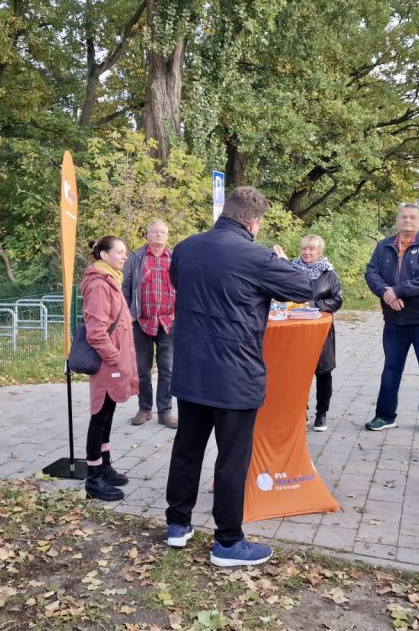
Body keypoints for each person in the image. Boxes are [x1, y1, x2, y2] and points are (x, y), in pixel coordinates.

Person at [164, 187, 315, 567]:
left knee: (187, 448)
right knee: (232, 459)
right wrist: (281, 261)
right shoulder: (258, 256)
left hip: (191, 368)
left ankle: (177, 525)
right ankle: (227, 543)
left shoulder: (185, 248)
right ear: (254, 221)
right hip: (235, 374)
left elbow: (181, 284)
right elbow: (303, 287)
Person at [363, 203, 419, 433]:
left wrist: (397, 291)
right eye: (403, 217)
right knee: (391, 368)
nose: (407, 221)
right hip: (394, 319)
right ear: (397, 220)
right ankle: (385, 415)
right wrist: (386, 294)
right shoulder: (384, 246)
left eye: (412, 217)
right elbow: (371, 273)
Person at [79, 236, 139, 502]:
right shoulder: (99, 285)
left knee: (109, 412)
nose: (124, 256)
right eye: (120, 252)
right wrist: (114, 357)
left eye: (125, 252)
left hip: (114, 362)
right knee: (99, 416)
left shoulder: (111, 280)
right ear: (103, 255)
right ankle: (93, 478)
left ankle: (105, 465)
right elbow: (96, 331)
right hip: (107, 363)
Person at [283, 234, 343, 431]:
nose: (307, 253)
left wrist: (313, 304)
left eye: (311, 250)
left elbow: (337, 300)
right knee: (297, 373)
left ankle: (321, 413)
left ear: (320, 252)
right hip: (296, 330)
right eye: (304, 249)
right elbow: (281, 294)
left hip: (321, 331)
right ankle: (301, 411)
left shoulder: (330, 274)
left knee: (323, 372)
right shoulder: (290, 271)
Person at [122, 220, 177, 429]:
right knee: (142, 369)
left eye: (163, 232)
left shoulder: (174, 258)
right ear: (147, 235)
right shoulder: (136, 258)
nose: (159, 235)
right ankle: (145, 408)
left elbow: (183, 286)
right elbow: (125, 287)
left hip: (167, 322)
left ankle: (165, 411)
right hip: (141, 322)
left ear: (167, 235)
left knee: (168, 369)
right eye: (155, 231)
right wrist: (129, 314)